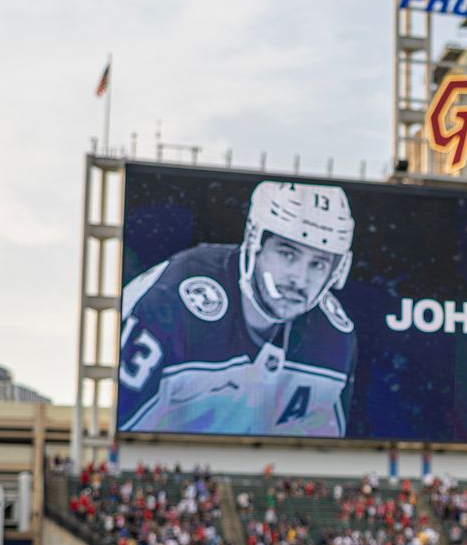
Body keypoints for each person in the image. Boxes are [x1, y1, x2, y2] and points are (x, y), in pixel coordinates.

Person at [118, 180, 357, 438]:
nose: (299, 279)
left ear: (336, 271)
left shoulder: (334, 338)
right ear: (256, 242)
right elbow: (121, 435)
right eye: (288, 254)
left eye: (318, 264)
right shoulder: (170, 304)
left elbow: (321, 449)